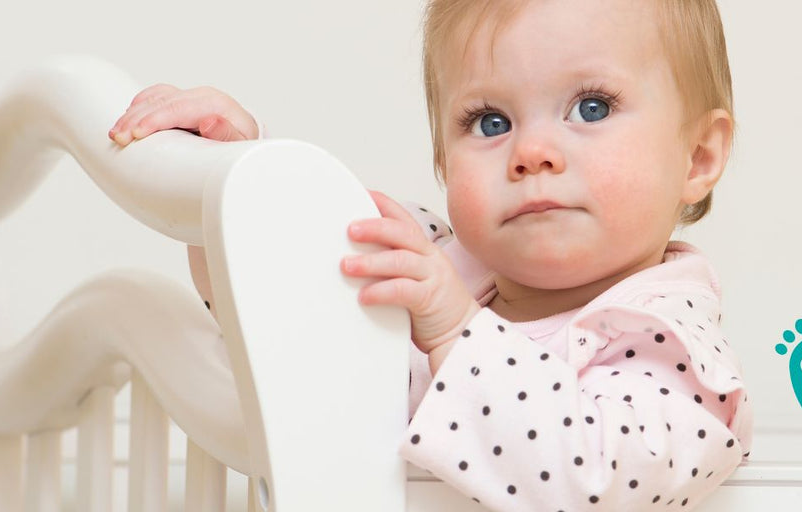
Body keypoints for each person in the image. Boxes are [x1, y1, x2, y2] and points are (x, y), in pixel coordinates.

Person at [109, 0, 751, 509]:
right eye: (490, 122)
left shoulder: (672, 349)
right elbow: (276, 291)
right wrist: (239, 168)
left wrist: (454, 331)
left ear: (698, 157)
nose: (532, 151)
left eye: (591, 106)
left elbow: (591, 483)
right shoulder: (433, 265)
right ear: (444, 161)